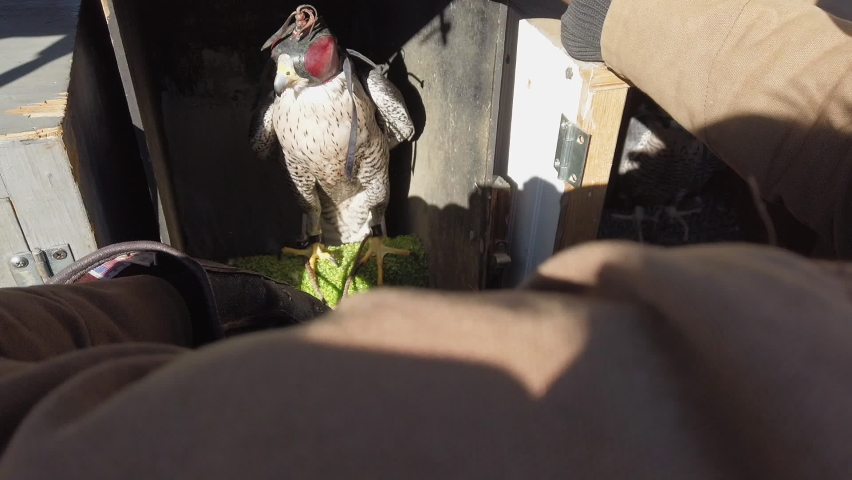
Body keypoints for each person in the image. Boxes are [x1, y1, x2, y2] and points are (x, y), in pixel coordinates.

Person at [1, 0, 851, 478]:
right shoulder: (281, 105)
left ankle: (188, 289)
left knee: (358, 221)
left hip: (348, 209)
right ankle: (192, 288)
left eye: (308, 53)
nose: (298, 63)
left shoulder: (369, 94)